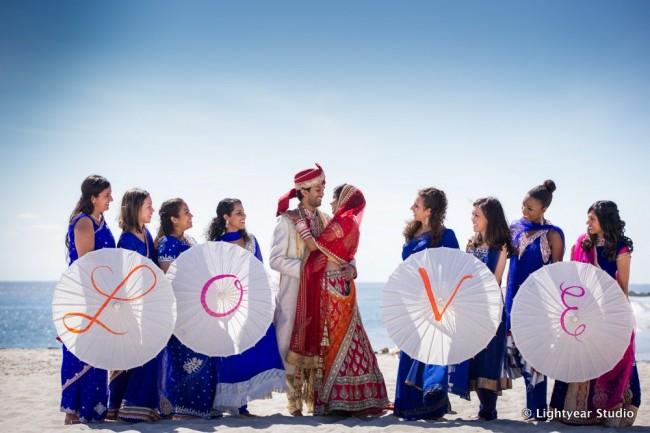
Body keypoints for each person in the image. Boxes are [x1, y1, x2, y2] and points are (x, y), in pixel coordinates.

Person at [286, 184, 388, 415]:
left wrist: (300, 225)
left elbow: (316, 247)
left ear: (343, 200)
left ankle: (336, 399)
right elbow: (348, 257)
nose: (330, 202)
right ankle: (356, 396)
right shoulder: (348, 224)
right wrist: (352, 269)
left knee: (332, 341)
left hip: (332, 286)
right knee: (348, 339)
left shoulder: (341, 223)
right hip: (341, 285)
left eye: (334, 197)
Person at [550, 200, 640, 427]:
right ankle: (575, 410)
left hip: (609, 312)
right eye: (587, 219)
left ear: (605, 221)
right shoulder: (582, 243)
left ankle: (612, 409)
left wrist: (621, 321)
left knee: (611, 359)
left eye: (592, 219)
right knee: (580, 356)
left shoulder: (621, 248)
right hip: (583, 312)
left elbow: (623, 289)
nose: (587, 223)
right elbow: (573, 278)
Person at [393, 187, 468, 420]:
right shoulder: (412, 233)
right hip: (412, 301)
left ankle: (432, 405)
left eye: (416, 205)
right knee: (411, 349)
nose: (411, 208)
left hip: (436, 302)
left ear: (429, 211)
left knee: (431, 349)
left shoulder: (447, 236)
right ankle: (407, 405)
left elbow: (456, 268)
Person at [208, 198, 286, 415]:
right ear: (226, 217)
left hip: (250, 303)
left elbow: (259, 273)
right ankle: (232, 403)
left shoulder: (251, 241)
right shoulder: (216, 246)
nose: (243, 216)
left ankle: (243, 403)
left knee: (257, 345)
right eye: (238, 213)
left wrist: (265, 305)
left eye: (244, 212)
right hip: (226, 307)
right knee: (230, 355)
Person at [270, 163, 331, 416]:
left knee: (319, 344)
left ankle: (314, 398)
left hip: (321, 295)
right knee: (291, 344)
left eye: (323, 188)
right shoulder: (287, 221)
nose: (322, 193)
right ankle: (293, 402)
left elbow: (335, 253)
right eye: (318, 188)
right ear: (303, 191)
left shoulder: (327, 220)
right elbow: (275, 260)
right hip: (295, 294)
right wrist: (307, 269)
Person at [504, 179, 564, 421]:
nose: (524, 211)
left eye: (530, 208)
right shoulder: (514, 228)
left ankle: (537, 410)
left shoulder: (554, 234)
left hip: (538, 302)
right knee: (514, 352)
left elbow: (558, 272)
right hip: (512, 298)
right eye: (523, 206)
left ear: (544, 210)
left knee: (535, 355)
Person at [155, 199, 220, 419]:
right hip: (182, 312)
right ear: (174, 219)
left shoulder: (188, 242)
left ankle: (200, 407)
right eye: (186, 212)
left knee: (205, 354)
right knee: (187, 359)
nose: (191, 215)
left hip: (197, 309)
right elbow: (168, 279)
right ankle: (184, 408)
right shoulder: (168, 245)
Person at [61, 175, 115, 424]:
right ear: (93, 198)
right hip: (85, 296)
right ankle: (74, 412)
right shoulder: (83, 223)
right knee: (81, 351)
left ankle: (94, 410)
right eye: (106, 196)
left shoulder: (101, 221)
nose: (110, 200)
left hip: (102, 294)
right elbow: (88, 265)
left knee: (99, 351)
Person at [107, 188, 161, 422]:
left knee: (149, 354)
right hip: (132, 306)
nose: (153, 210)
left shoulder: (146, 234)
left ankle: (141, 407)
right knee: (132, 358)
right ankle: (127, 408)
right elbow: (125, 278)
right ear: (135, 208)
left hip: (148, 304)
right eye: (148, 205)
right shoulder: (126, 240)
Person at [465, 197, 514, 420]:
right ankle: (483, 407)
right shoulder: (470, 243)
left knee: (490, 357)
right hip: (471, 306)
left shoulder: (501, 245)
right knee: (474, 355)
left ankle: (488, 409)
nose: (472, 218)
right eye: (473, 214)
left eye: (477, 215)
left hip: (491, 306)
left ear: (489, 218)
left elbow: (496, 279)